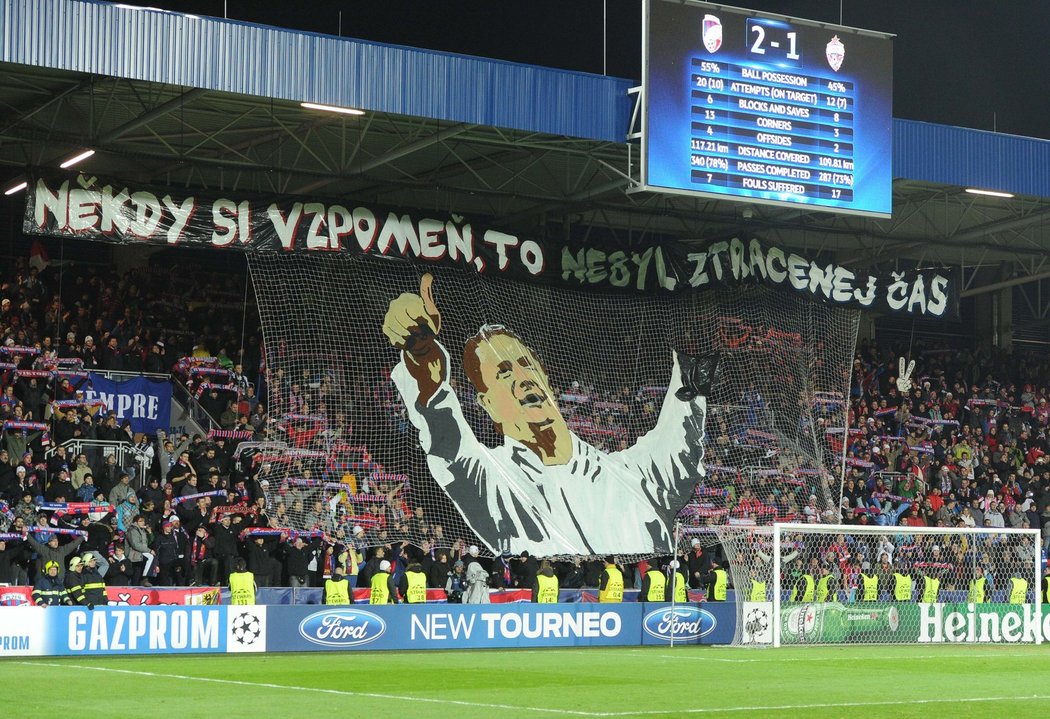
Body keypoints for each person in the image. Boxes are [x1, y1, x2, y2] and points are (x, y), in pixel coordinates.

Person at [384, 274, 714, 556]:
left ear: (546, 379)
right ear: (488, 404)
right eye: (503, 372)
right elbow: (449, 442)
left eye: (527, 365)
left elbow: (681, 441)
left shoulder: (630, 474)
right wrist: (423, 357)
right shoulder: (497, 482)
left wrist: (697, 338)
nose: (522, 376)